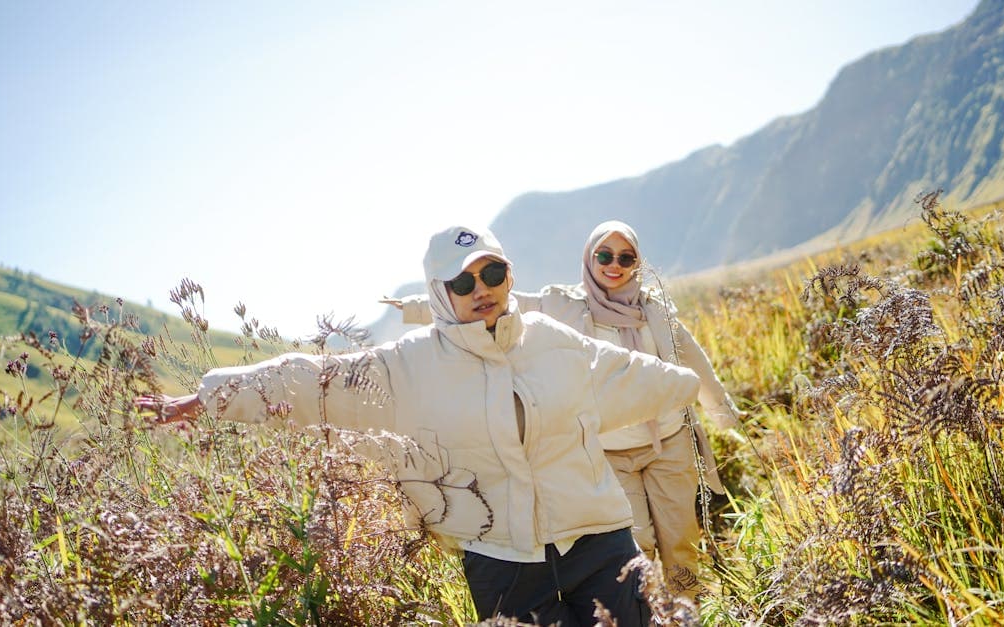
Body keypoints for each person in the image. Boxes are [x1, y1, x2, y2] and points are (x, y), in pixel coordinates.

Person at [136, 224, 706, 626]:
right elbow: (316, 380)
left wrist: (693, 386)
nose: (481, 289)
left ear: (509, 274)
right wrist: (215, 395)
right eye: (463, 282)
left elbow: (631, 374)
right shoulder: (405, 367)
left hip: (601, 545)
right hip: (502, 562)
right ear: (439, 293)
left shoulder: (553, 341)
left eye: (493, 272)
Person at [387, 220, 742, 594]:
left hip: (670, 444)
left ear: (638, 261)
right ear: (589, 258)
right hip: (610, 455)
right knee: (638, 549)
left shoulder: (655, 311)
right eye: (604, 255)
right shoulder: (565, 304)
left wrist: (723, 412)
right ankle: (647, 615)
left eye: (626, 257)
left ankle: (686, 614)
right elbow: (496, 300)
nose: (614, 264)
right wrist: (415, 307)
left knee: (681, 540)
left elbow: (694, 362)